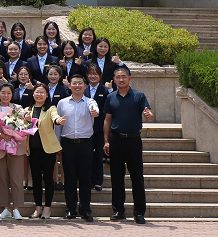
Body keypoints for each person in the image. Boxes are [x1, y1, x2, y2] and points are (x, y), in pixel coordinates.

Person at [104, 65, 153, 224]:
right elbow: (107, 120)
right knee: (116, 177)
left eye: (124, 76)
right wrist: (106, 141)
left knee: (137, 176)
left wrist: (148, 115)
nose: (121, 79)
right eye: (118, 77)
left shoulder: (139, 96)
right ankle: (118, 210)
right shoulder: (111, 97)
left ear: (129, 78)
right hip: (116, 140)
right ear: (114, 80)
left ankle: (139, 212)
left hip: (133, 140)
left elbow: (149, 114)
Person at [57, 72, 100, 222]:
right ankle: (70, 209)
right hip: (67, 144)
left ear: (85, 86)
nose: (77, 86)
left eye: (80, 83)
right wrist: (58, 144)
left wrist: (94, 112)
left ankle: (85, 210)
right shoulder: (62, 103)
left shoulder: (90, 101)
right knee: (69, 178)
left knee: (85, 178)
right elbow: (58, 125)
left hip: (85, 144)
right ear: (69, 85)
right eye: (74, 83)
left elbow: (95, 111)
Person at [0, 83, 28, 220]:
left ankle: (17, 208)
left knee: (17, 178)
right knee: (1, 179)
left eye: (8, 93)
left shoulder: (18, 108)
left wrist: (26, 117)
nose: (6, 95)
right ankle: (5, 207)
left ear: (12, 94)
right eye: (3, 92)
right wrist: (1, 135)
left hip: (15, 147)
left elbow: (24, 121)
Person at [25, 84, 62, 220]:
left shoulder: (51, 108)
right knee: (35, 179)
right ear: (33, 94)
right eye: (37, 92)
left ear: (47, 95)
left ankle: (47, 208)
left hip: (48, 150)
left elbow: (55, 117)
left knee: (48, 179)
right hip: (32, 149)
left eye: (42, 92)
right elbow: (22, 126)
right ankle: (38, 208)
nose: (39, 95)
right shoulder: (27, 110)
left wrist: (58, 120)